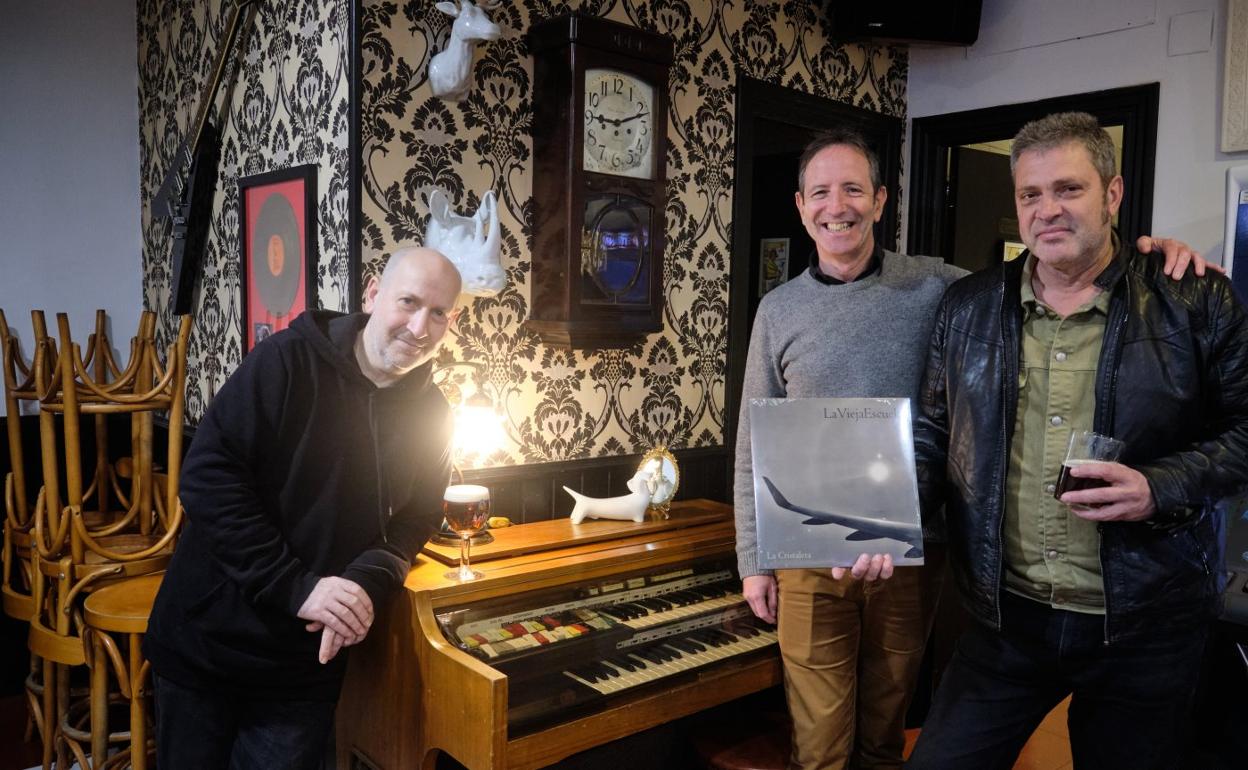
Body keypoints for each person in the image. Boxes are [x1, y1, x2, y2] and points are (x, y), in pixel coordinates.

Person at [734, 128, 1211, 770]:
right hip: (809, 548)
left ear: (880, 200)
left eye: (853, 189)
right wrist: (754, 558)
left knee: (886, 728)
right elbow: (753, 438)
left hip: (910, 545)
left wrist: (1152, 255)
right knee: (818, 743)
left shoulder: (940, 287)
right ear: (800, 206)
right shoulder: (777, 309)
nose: (836, 206)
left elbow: (1047, 270)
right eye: (820, 192)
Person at [907, 112, 1248, 769]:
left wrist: (1158, 487)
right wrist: (879, 526)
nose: (1047, 210)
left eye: (1068, 188)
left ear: (1112, 193)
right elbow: (932, 436)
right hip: (1005, 621)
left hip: (1146, 626)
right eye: (1030, 194)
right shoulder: (967, 306)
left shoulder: (1195, 299)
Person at [145, 246, 463, 769]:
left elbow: (417, 517)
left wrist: (368, 580)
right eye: (408, 302)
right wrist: (298, 587)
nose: (419, 327)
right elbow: (207, 477)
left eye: (438, 314)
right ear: (373, 294)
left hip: (305, 664)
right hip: (208, 642)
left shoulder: (435, 413)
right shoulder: (287, 360)